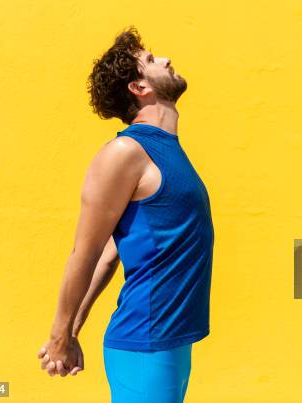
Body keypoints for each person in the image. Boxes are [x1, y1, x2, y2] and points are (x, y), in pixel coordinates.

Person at [36, 26, 215, 403]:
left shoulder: (168, 152)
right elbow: (84, 253)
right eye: (151, 61)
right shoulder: (125, 154)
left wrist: (75, 329)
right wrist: (59, 336)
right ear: (139, 87)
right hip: (144, 343)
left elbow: (112, 253)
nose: (165, 58)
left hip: (170, 341)